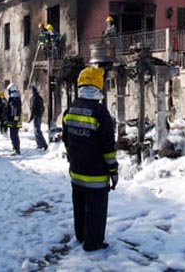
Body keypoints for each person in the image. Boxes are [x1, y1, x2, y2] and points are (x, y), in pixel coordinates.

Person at [62, 66, 118, 252]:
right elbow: (108, 147)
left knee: (79, 205)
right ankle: (93, 243)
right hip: (96, 175)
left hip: (76, 172)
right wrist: (113, 170)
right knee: (96, 210)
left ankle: (81, 235)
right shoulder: (100, 112)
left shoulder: (70, 109)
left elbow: (66, 139)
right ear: (98, 86)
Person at [29, 85, 48, 150]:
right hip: (38, 115)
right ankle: (39, 144)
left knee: (37, 130)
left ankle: (43, 144)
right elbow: (43, 108)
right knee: (37, 130)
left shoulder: (34, 98)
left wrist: (30, 118)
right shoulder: (39, 98)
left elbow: (33, 109)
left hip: (36, 116)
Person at [6, 84, 22, 155]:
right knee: (13, 135)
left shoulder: (15, 99)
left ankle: (16, 149)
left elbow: (16, 111)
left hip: (14, 120)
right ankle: (15, 148)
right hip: (12, 120)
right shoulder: (13, 98)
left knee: (14, 135)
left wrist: (15, 119)